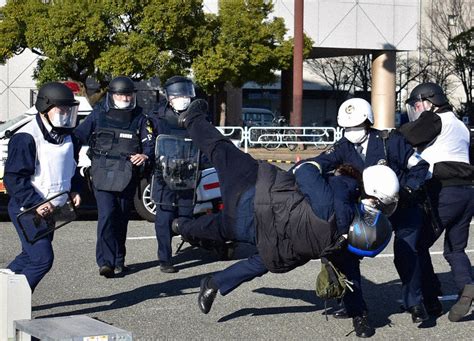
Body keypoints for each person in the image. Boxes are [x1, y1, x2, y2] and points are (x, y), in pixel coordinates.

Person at [171, 99, 398, 338]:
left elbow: (306, 171)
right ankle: (186, 233)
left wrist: (309, 177)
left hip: (256, 191)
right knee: (237, 239)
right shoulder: (354, 221)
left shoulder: (341, 185)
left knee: (221, 150)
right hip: (257, 230)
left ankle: (192, 119)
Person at [307, 98, 431, 334]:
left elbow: (420, 166)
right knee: (347, 254)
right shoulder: (343, 145)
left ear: (369, 122)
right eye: (347, 128)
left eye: (357, 126)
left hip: (402, 203)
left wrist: (409, 189)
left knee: (407, 252)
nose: (352, 132)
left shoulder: (391, 141)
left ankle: (415, 303)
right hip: (367, 210)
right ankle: (356, 308)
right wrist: (307, 169)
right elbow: (322, 161)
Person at [399, 82, 474, 322]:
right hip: (468, 192)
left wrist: (386, 136)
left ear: (430, 102)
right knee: (455, 249)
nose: (416, 109)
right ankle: (467, 288)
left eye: (417, 104)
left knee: (418, 244)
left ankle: (430, 299)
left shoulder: (434, 119)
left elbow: (407, 136)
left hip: (444, 191)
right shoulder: (461, 125)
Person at [4, 82, 82, 291]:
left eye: (69, 109)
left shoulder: (69, 136)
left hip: (53, 210)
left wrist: (75, 189)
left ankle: (4, 290)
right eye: (61, 109)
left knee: (28, 255)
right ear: (45, 108)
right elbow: (13, 178)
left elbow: (72, 167)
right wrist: (35, 203)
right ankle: (12, 304)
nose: (66, 113)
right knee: (41, 260)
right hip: (28, 209)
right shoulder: (26, 137)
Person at [74, 76, 153, 278]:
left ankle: (119, 260)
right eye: (120, 94)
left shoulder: (140, 118)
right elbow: (78, 136)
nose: (124, 98)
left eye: (128, 94)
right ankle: (106, 262)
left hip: (127, 175)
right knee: (107, 215)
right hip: (102, 173)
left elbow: (150, 144)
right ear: (112, 95)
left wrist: (145, 155)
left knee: (121, 217)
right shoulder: (98, 114)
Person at [148, 76, 208, 273]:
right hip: (164, 176)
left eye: (185, 95)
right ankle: (165, 259)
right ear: (169, 97)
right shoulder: (158, 117)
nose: (182, 99)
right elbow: (150, 144)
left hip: (188, 176)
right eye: (178, 95)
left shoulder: (197, 118)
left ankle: (197, 244)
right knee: (163, 219)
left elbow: (206, 144)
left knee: (186, 218)